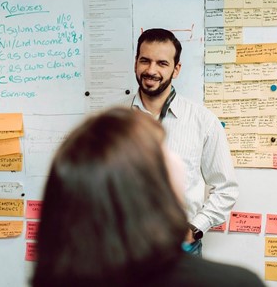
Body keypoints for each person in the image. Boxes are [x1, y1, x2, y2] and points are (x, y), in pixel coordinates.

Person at [32, 107, 264, 287]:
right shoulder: (235, 284)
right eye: (164, 153)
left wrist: (195, 229)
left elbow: (225, 188)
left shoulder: (56, 279)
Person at [131, 28, 238, 255]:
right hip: (124, 249)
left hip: (180, 249)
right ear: (135, 63)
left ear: (176, 69)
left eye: (162, 63)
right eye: (145, 61)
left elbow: (226, 188)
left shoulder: (203, 121)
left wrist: (194, 229)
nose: (151, 70)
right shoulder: (112, 120)